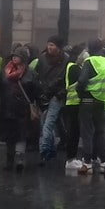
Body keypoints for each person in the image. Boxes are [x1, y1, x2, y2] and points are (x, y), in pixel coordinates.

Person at [0, 47, 41, 171]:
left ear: (23, 58)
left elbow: (37, 91)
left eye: (17, 56)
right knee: (9, 137)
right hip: (7, 109)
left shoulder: (31, 73)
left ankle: (19, 159)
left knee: (21, 135)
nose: (14, 58)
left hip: (23, 110)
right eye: (13, 56)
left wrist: (41, 105)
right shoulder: (4, 72)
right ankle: (9, 161)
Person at [76, 38, 105, 174]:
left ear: (89, 48)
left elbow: (82, 81)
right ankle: (104, 162)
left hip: (88, 100)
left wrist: (80, 93)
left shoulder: (90, 61)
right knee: (100, 131)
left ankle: (87, 162)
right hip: (102, 101)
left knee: (87, 132)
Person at [33, 35, 69, 166]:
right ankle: (51, 149)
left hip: (56, 96)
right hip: (44, 95)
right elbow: (36, 76)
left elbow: (67, 80)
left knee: (48, 123)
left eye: (52, 45)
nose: (49, 47)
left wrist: (61, 93)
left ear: (58, 47)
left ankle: (44, 151)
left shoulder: (66, 60)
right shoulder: (42, 59)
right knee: (46, 122)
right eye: (49, 44)